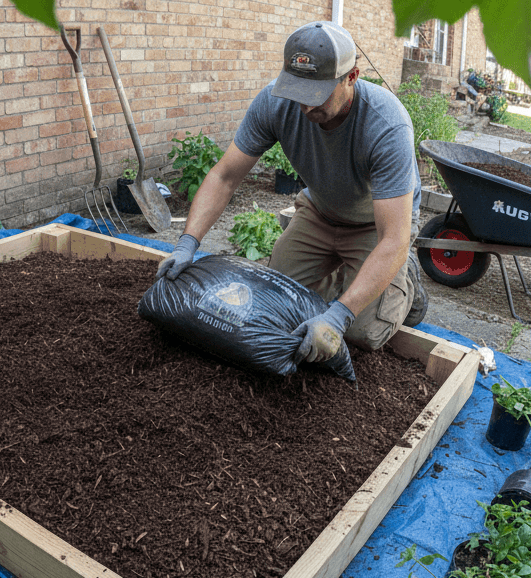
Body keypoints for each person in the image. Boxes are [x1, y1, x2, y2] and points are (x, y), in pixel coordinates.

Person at [155, 20, 428, 365]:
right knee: (274, 304)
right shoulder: (274, 102)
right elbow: (224, 177)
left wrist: (339, 316)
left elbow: (393, 238)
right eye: (297, 91)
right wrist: (186, 244)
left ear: (352, 77)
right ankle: (353, 278)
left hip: (375, 227)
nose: (304, 107)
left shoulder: (386, 125)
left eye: (316, 95)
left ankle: (405, 285)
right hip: (320, 213)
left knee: (361, 333)